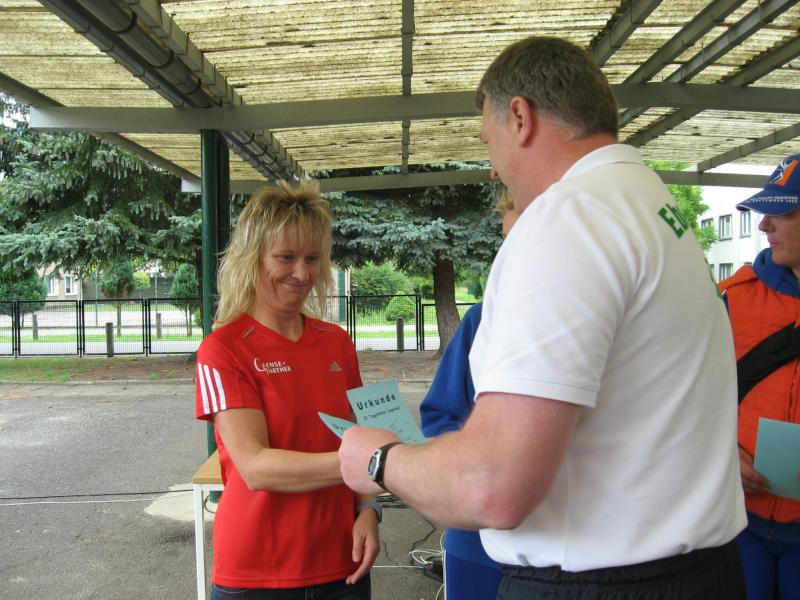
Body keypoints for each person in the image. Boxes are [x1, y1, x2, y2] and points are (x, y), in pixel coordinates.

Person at [339, 36, 746, 599]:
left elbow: (493, 485)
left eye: (489, 142)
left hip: (596, 583)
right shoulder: (649, 203)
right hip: (696, 571)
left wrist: (379, 459)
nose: (492, 170)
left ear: (520, 117)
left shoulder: (568, 219)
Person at [194, 181, 378, 600]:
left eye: (312, 258)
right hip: (258, 573)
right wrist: (374, 464)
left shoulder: (336, 343)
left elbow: (357, 434)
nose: (303, 273)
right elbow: (256, 467)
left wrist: (368, 507)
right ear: (252, 258)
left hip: (341, 561)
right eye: (286, 257)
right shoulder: (223, 349)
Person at [419, 189, 518, 600]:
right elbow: (438, 416)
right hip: (477, 545)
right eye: (508, 238)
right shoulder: (481, 320)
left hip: (566, 556)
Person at [719, 154, 800, 600]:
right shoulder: (732, 300)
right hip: (739, 521)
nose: (764, 225)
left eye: (782, 212)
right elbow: (686, 398)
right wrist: (723, 453)